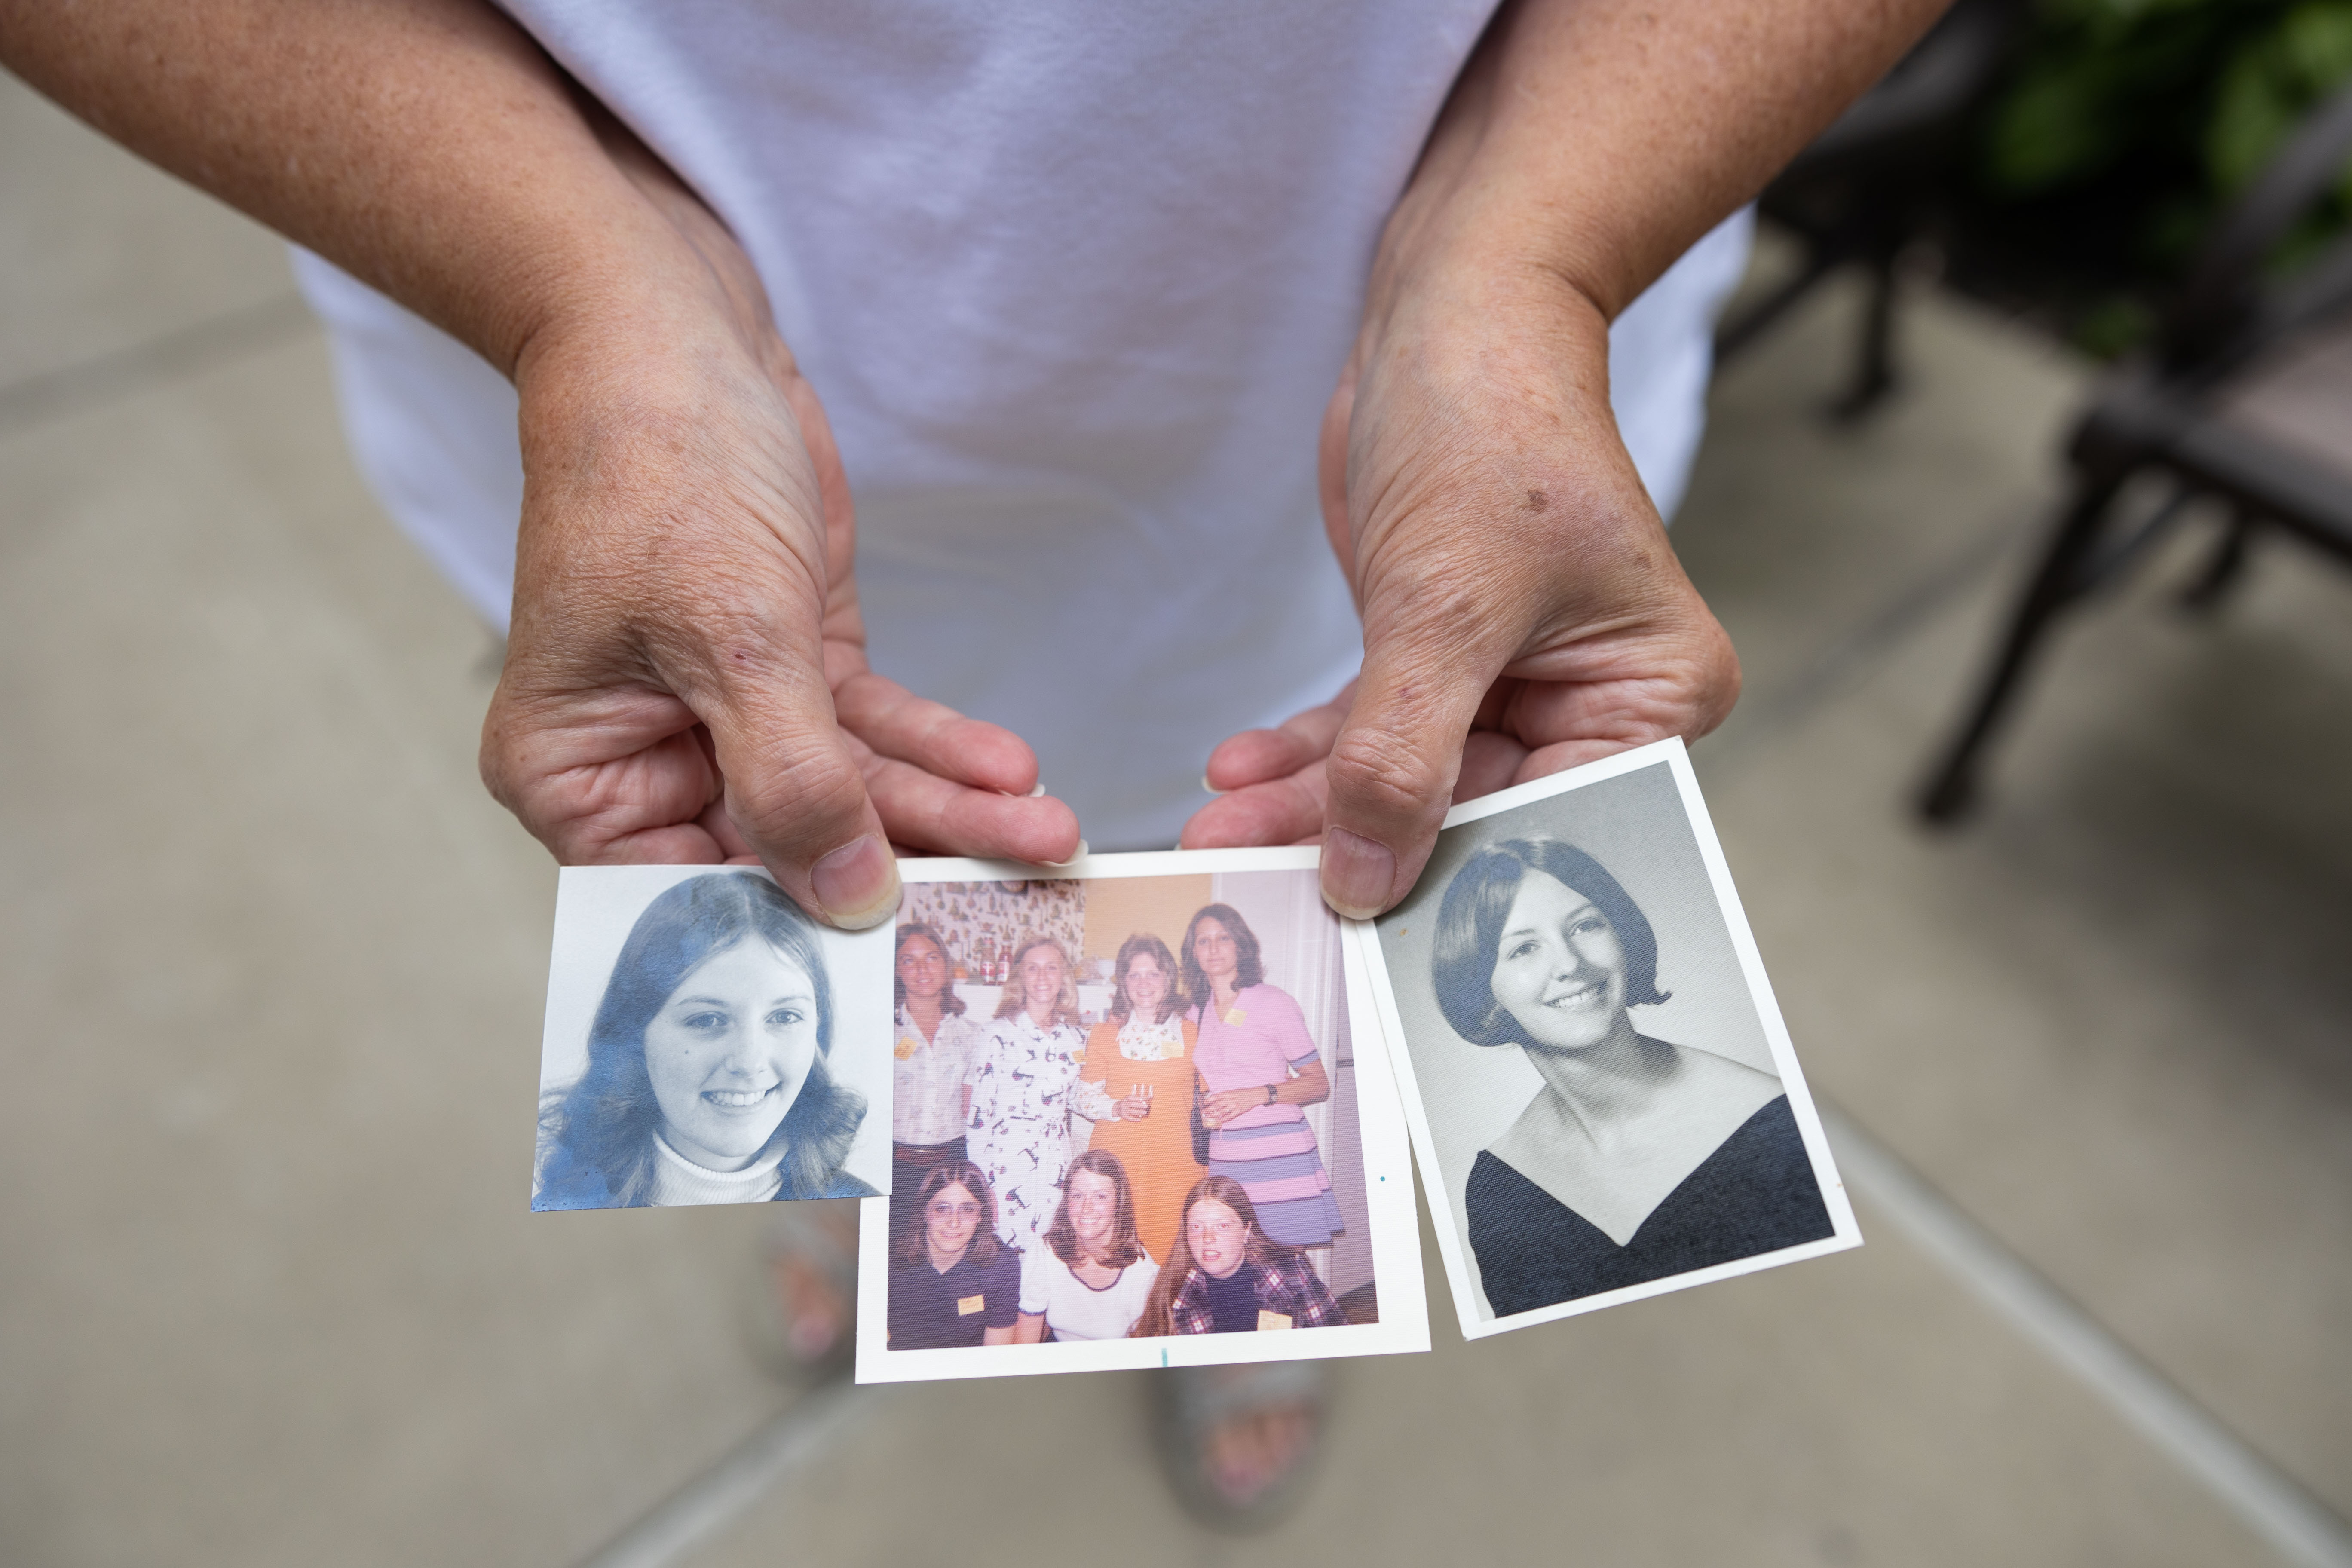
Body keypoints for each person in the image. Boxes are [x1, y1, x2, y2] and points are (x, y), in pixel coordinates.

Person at [7, 0, 1942, 1519]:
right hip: (621, 384)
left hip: (1407, 412)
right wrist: (571, 286)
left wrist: (1529, 249)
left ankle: (1234, 1262)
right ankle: (846, 1189)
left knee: (1330, 862)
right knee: (778, 859)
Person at [1430, 836, 1835, 1316]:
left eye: (1585, 926)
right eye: (1524, 949)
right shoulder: (1498, 1187)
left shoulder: (1779, 1125)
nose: (1570, 964)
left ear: (1623, 935)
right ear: (1481, 987)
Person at [534, 872, 874, 1209]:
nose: (749, 1063)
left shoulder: (864, 1208)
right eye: (707, 1020)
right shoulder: (561, 1211)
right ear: (634, 1036)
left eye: (785, 1017)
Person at [1182, 906, 1343, 1248]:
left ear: (1240, 945)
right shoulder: (1195, 1013)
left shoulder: (1274, 1003)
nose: (1213, 949)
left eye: (1224, 938)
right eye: (1203, 941)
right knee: (1234, 1255)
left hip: (1278, 1153)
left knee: (1284, 1259)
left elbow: (1319, 1083)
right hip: (1226, 1155)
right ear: (1193, 953)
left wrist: (1255, 1095)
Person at [1079, 934, 1205, 1261]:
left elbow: (1208, 1095)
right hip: (1117, 1161)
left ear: (1168, 978)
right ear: (1123, 983)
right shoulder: (1105, 1034)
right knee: (1115, 1250)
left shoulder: (1193, 1033)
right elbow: (1081, 1096)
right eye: (1134, 975)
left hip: (1175, 1162)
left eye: (1153, 974)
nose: (1144, 983)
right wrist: (1116, 1106)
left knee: (1171, 1253)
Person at [965, 935, 1090, 1251]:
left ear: (1064, 977)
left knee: (1051, 1247)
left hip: (1056, 1157)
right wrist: (981, 1183)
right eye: (1033, 968)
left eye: (1052, 967)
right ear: (1020, 976)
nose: (1043, 976)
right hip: (1005, 1158)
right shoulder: (996, 1034)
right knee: (1004, 1247)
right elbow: (978, 1116)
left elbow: (1078, 1098)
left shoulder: (1076, 1038)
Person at [1134, 1177, 1346, 1338]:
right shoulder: (1173, 1290)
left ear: (1247, 1230)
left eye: (1222, 1226)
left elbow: (1340, 1340)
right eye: (1196, 1227)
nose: (1208, 1238)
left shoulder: (1289, 1275)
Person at [889, 922, 986, 1250]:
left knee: (948, 1251)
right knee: (896, 1255)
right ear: (896, 970)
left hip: (952, 1166)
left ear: (946, 965)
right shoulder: (880, 1030)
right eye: (909, 960)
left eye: (931, 958)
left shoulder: (973, 1034)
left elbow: (976, 1108)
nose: (922, 969)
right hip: (894, 1166)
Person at [1014, 1150, 1162, 1344]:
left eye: (1101, 1197)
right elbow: (1026, 1346)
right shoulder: (1045, 1252)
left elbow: (1147, 1353)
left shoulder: (1142, 1273)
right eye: (1077, 1196)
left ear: (1119, 1202)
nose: (1086, 1208)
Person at [886, 1159, 1020, 1351]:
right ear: (924, 1212)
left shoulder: (1002, 1266)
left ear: (981, 1215)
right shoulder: (889, 1261)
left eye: (968, 1209)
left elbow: (996, 1356)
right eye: (942, 1209)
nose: (954, 1222)